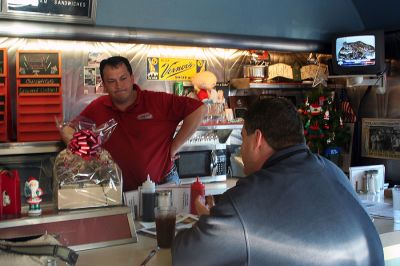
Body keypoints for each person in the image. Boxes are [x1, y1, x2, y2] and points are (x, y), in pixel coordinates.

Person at [172, 97, 384, 266]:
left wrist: (209, 224)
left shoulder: (246, 199)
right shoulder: (332, 171)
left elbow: (185, 257)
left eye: (243, 139)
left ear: (257, 140)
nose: (241, 149)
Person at [61, 56, 205, 191]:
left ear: (132, 78)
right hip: (118, 189)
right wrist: (85, 151)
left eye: (123, 78)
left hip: (163, 184)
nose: (119, 85)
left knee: (168, 219)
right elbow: (68, 130)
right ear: (104, 85)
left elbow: (199, 109)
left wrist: (173, 148)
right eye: (111, 81)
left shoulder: (157, 101)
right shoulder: (98, 106)